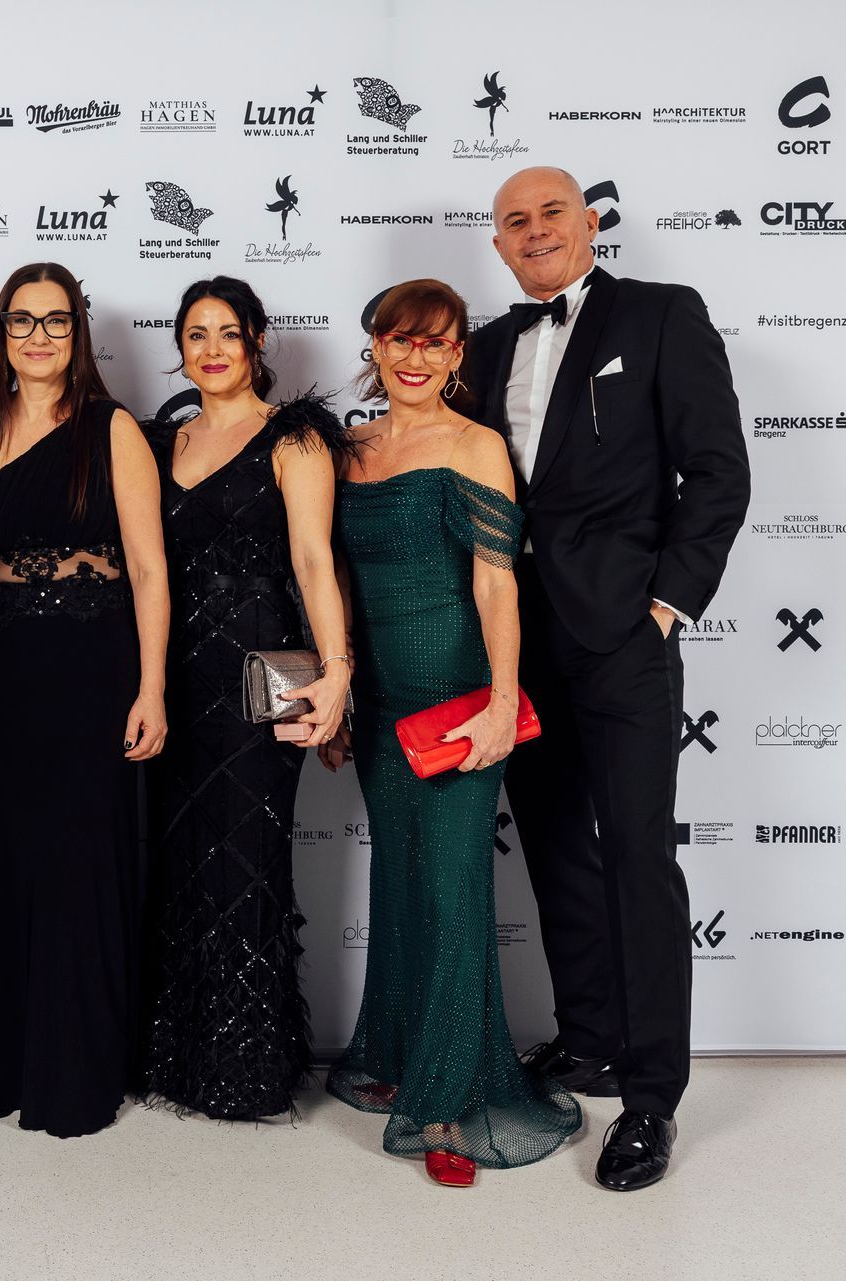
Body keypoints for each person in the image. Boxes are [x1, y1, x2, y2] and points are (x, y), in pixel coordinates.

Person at [458, 166, 749, 1191]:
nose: (535, 230)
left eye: (552, 213)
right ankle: (587, 1039)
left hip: (625, 633)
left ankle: (652, 1097)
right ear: (498, 245)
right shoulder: (485, 346)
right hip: (517, 644)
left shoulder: (662, 315)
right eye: (515, 221)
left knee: (636, 856)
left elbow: (718, 469)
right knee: (554, 847)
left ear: (590, 223)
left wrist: (668, 603)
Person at [321, 278, 580, 1187]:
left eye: (435, 342)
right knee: (400, 882)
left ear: (458, 354)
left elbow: (496, 581)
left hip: (460, 704)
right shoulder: (349, 450)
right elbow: (335, 579)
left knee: (454, 892)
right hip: (381, 704)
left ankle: (447, 1103)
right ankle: (400, 1052)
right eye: (400, 340)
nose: (415, 357)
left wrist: (504, 700)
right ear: (376, 347)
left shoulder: (476, 445)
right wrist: (338, 694)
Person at [0, 261, 169, 1138]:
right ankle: (6, 1060)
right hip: (2, 672)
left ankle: (75, 1067)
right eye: (21, 321)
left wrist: (152, 686)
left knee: (79, 862)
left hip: (92, 668)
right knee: (9, 858)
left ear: (78, 334)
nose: (38, 337)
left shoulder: (113, 429)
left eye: (56, 321)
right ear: (1, 334)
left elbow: (148, 569)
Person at [136, 277, 351, 1121]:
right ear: (180, 349)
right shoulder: (159, 440)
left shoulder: (294, 436)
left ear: (257, 339)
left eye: (229, 332)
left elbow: (314, 560)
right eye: (196, 334)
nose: (213, 348)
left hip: (260, 678)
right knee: (179, 864)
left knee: (245, 862)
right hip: (172, 678)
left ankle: (247, 1066)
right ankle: (177, 1053)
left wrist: (337, 672)